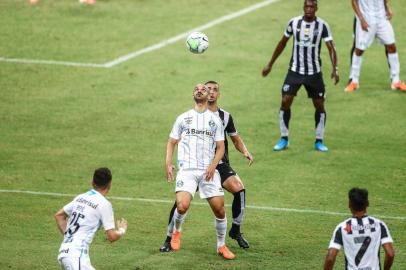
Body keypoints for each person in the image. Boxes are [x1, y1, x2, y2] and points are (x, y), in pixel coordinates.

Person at [160, 81, 254, 252]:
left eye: (214, 90)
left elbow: (232, 139)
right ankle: (169, 238)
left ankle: (235, 231)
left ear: (218, 94)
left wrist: (244, 151)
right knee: (181, 204)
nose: (210, 92)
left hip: (218, 165)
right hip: (192, 166)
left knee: (237, 191)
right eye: (206, 89)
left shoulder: (223, 117)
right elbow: (174, 140)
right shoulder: (186, 117)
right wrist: (170, 161)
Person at [262, 0, 339, 152]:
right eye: (306, 6)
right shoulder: (294, 23)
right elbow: (282, 43)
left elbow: (331, 48)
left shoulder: (322, 26)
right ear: (303, 7)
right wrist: (270, 64)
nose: (309, 9)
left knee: (319, 105)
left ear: (316, 8)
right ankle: (284, 138)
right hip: (295, 71)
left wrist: (335, 68)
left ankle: (319, 140)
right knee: (285, 101)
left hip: (314, 73)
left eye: (312, 6)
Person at [54, 168, 128, 270]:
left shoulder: (80, 197)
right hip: (77, 257)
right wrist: (122, 230)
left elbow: (59, 215)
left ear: (92, 182)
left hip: (65, 253)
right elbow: (111, 236)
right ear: (110, 184)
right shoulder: (104, 204)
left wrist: (69, 237)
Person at [324, 187, 395, 270]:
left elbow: (330, 258)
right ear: (367, 203)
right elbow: (390, 254)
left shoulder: (342, 228)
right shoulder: (379, 225)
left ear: (349, 204)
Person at [345, 0, 406, 92]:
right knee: (359, 50)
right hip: (366, 19)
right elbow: (354, 2)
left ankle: (396, 81)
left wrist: (387, 8)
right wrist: (361, 19)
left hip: (382, 19)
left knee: (391, 46)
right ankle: (354, 81)